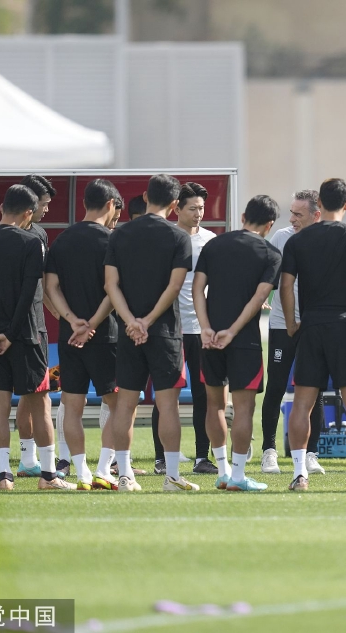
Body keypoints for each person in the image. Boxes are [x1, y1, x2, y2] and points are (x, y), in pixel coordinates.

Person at [0, 184, 74, 490]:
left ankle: (4, 475)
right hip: (27, 335)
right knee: (40, 403)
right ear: (28, 213)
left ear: (2, 208)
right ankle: (48, 476)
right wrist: (11, 334)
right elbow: (29, 293)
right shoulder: (31, 242)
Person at [280, 178, 346, 492]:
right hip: (344, 325)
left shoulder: (298, 241)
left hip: (310, 326)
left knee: (302, 404)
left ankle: (299, 474)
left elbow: (285, 285)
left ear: (319, 204)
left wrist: (293, 322)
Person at [104, 174, 196, 492]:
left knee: (125, 405)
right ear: (175, 204)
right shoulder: (179, 236)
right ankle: (172, 477)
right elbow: (175, 286)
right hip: (165, 332)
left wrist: (131, 321)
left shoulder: (119, 233)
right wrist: (149, 320)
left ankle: (124, 475)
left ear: (145, 197)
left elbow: (111, 285)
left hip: (128, 333)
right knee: (168, 406)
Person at [194, 195, 281, 492]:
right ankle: (239, 476)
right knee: (244, 409)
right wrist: (232, 331)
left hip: (210, 338)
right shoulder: (270, 253)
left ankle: (222, 471)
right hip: (245, 341)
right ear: (270, 224)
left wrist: (206, 328)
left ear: (243, 216)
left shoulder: (214, 245)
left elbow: (197, 289)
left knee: (214, 405)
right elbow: (259, 298)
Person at [44, 179, 123, 491]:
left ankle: (81, 473)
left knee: (72, 405)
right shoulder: (112, 241)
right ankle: (104, 468)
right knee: (118, 404)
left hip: (69, 335)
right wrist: (91, 324)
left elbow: (50, 286)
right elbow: (112, 289)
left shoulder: (62, 239)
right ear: (110, 205)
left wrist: (71, 320)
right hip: (106, 335)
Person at [149, 183, 217, 476]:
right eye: (193, 208)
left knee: (204, 394)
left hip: (201, 330)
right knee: (166, 396)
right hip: (170, 329)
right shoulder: (166, 238)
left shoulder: (211, 241)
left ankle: (202, 456)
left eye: (201, 208)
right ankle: (161, 459)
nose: (198, 213)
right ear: (177, 208)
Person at [262, 190, 326, 476]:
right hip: (280, 325)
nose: (291, 219)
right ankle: (269, 451)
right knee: (275, 387)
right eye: (291, 213)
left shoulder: (326, 239)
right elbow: (270, 276)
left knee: (315, 390)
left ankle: (311, 454)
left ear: (316, 215)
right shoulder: (281, 237)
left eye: (298, 214)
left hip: (313, 326)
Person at [7, 174, 57, 478]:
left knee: (33, 392)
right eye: (44, 204)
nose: (47, 210)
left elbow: (44, 284)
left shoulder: (40, 234)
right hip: (10, 324)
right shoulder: (4, 235)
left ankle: (28, 459)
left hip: (34, 323)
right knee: (0, 395)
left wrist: (59, 314)